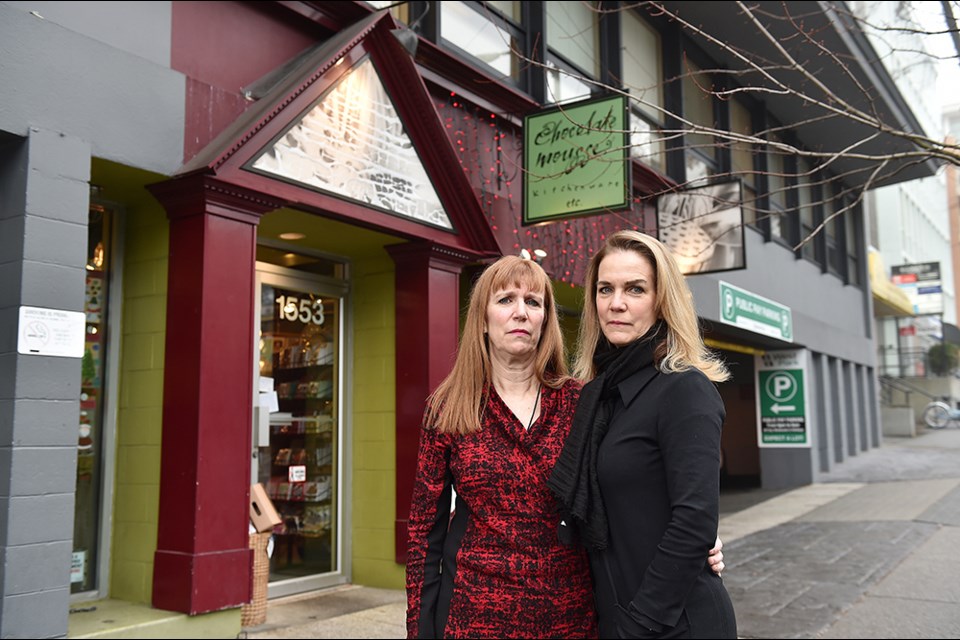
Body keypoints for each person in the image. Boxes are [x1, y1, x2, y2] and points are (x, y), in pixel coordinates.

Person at [405, 255, 725, 639]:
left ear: (545, 319)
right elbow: (425, 534)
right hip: (475, 616)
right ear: (483, 319)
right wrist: (419, 629)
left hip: (572, 617)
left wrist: (703, 538)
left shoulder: (582, 401)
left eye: (533, 302)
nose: (520, 313)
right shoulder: (447, 409)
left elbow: (630, 482)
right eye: (505, 300)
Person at [549, 230, 738, 639]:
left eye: (635, 289)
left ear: (661, 301)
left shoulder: (683, 389)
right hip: (618, 617)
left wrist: (639, 624)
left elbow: (694, 522)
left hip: (671, 623)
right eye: (605, 289)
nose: (616, 303)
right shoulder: (599, 397)